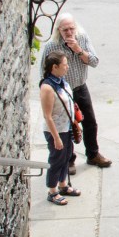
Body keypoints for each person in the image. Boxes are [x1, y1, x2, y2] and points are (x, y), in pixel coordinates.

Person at [40, 12, 112, 173]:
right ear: (59, 30)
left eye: (71, 28)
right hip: (62, 91)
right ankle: (69, 159)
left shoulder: (82, 38)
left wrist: (78, 49)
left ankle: (93, 154)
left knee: (90, 122)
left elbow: (94, 61)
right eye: (65, 30)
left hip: (80, 87)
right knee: (67, 126)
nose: (69, 32)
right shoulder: (52, 47)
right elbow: (43, 72)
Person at [40, 50, 82, 206]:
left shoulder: (61, 81)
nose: (67, 67)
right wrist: (56, 137)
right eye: (64, 65)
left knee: (66, 156)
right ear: (54, 67)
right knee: (56, 159)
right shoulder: (47, 88)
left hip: (66, 127)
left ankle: (63, 185)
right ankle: (52, 191)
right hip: (56, 130)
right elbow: (47, 116)